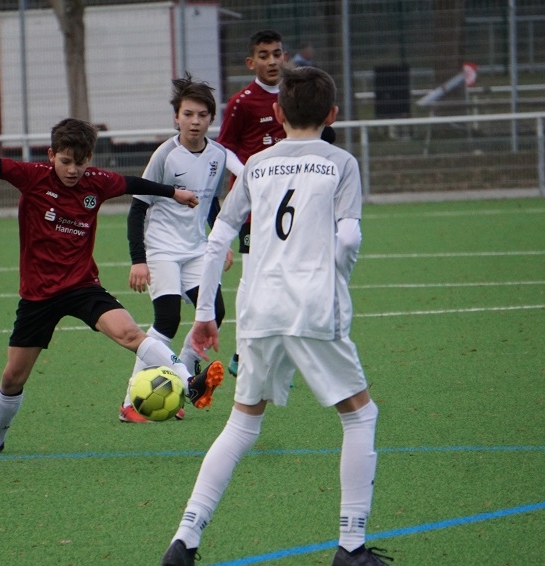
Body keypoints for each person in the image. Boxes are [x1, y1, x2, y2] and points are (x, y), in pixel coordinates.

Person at [161, 67, 388, 566]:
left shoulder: (257, 165)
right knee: (360, 415)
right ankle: (351, 546)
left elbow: (218, 239)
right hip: (312, 306)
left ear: (278, 113)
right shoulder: (341, 162)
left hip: (259, 308)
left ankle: (184, 539)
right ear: (332, 115)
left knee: (242, 426)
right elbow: (349, 236)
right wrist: (333, 279)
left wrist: (204, 313)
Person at [0, 118, 225, 454]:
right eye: (65, 161)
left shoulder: (96, 182)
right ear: (51, 155)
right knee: (12, 377)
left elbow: (133, 183)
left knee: (130, 333)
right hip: (38, 296)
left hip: (81, 286)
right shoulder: (33, 176)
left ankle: (188, 381)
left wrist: (173, 192)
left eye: (80, 162)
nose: (73, 170)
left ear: (89, 158)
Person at [216, 30, 336, 378]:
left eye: (277, 54)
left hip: (295, 203)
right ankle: (242, 351)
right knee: (253, 275)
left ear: (285, 57)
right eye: (264, 55)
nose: (272, 61)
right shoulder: (241, 102)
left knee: (290, 274)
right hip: (256, 206)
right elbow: (224, 149)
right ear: (251, 62)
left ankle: (284, 350)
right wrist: (250, 175)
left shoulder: (295, 96)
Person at [120, 75, 233, 424]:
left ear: (211, 119)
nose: (195, 121)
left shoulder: (218, 155)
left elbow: (211, 204)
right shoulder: (165, 155)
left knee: (214, 311)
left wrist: (220, 242)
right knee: (167, 320)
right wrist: (138, 260)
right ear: (176, 117)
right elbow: (137, 208)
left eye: (202, 115)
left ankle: (185, 383)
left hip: (197, 249)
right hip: (163, 249)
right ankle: (130, 402)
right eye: (188, 114)